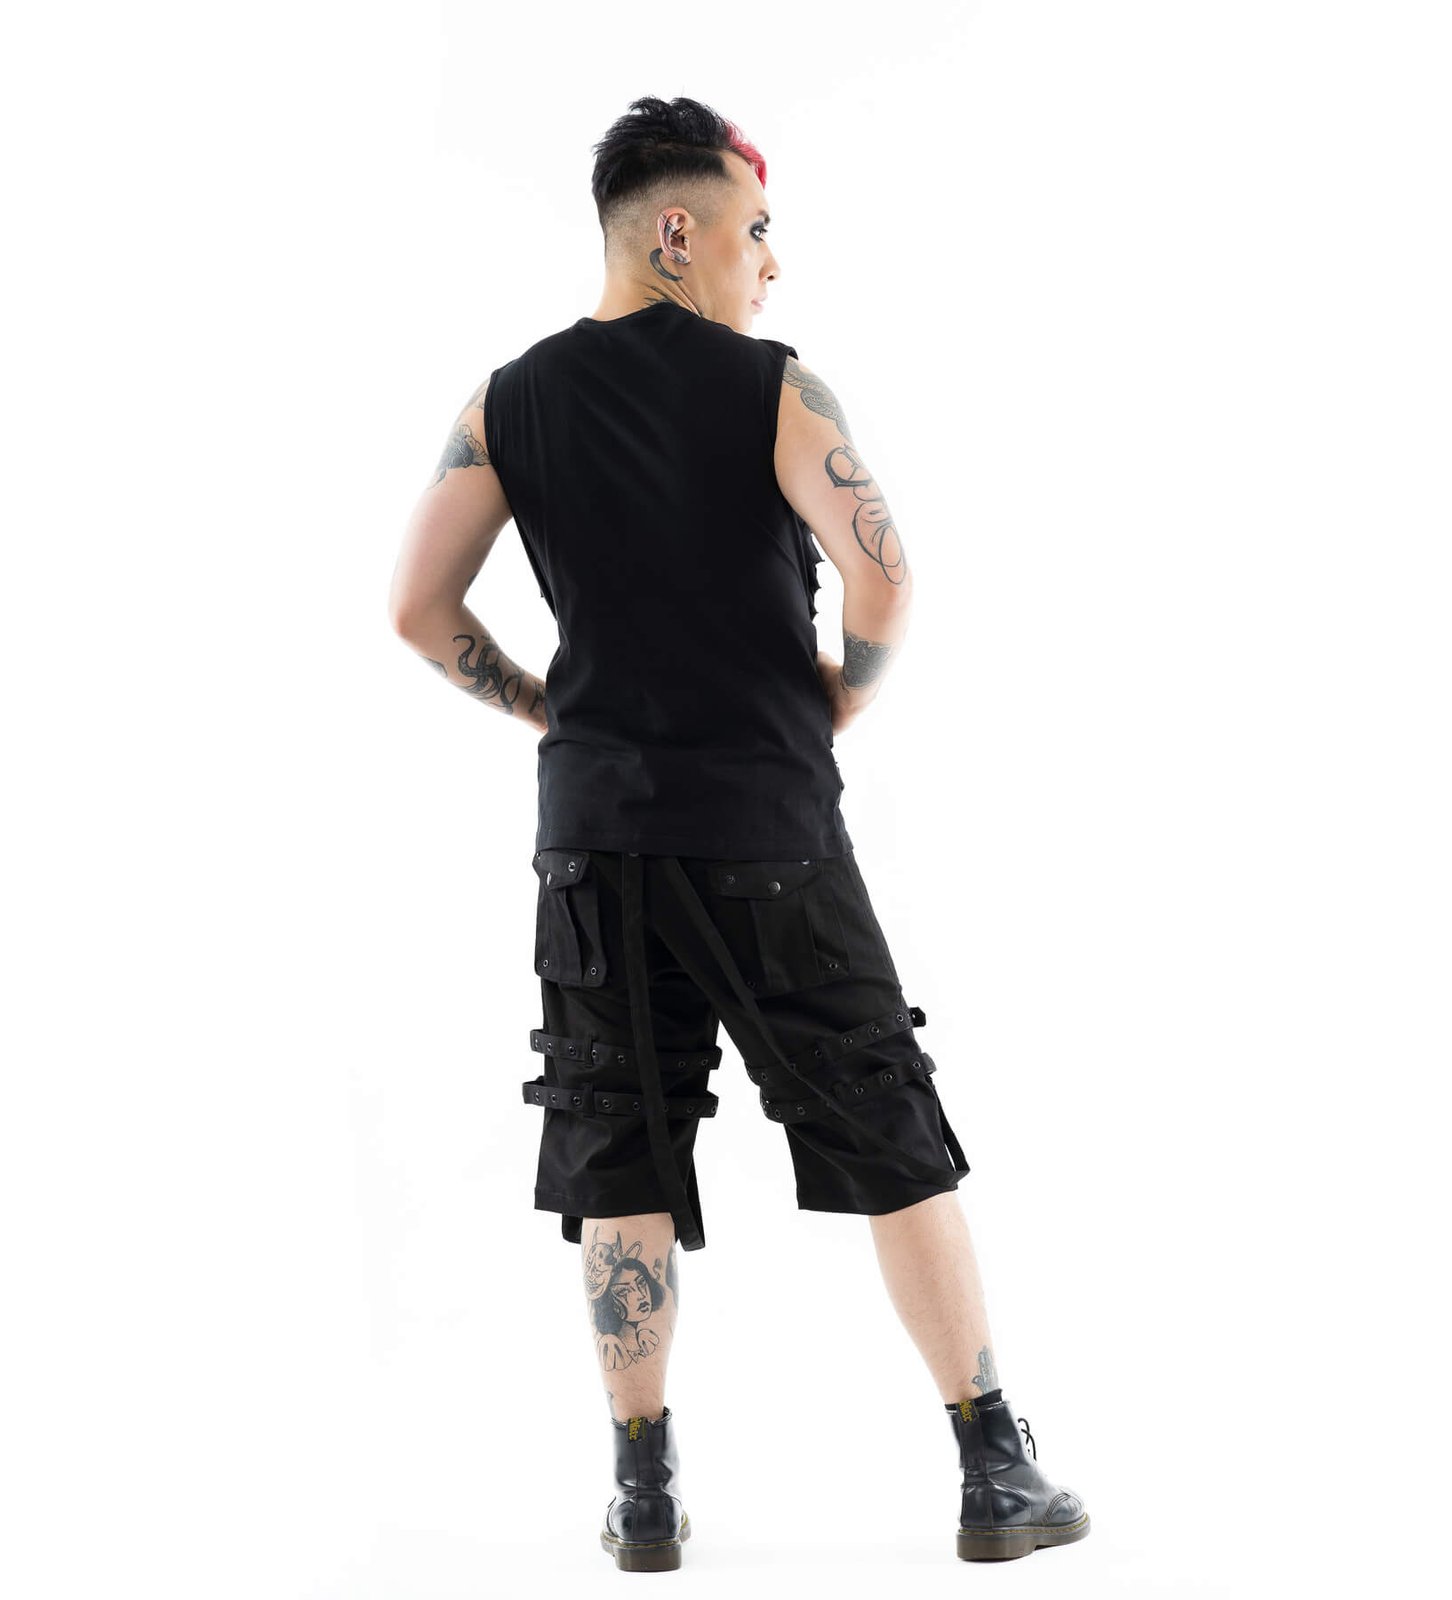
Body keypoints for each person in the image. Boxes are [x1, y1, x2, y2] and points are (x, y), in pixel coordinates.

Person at [387, 93, 1089, 1569]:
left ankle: (643, 1496)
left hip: (593, 841)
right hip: (766, 825)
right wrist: (845, 695)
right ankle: (993, 1467)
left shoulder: (506, 402)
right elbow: (884, 577)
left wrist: (550, 711)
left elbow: (417, 607)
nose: (769, 264)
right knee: (887, 1117)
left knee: (616, 1145)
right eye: (755, 231)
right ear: (677, 230)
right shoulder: (775, 388)